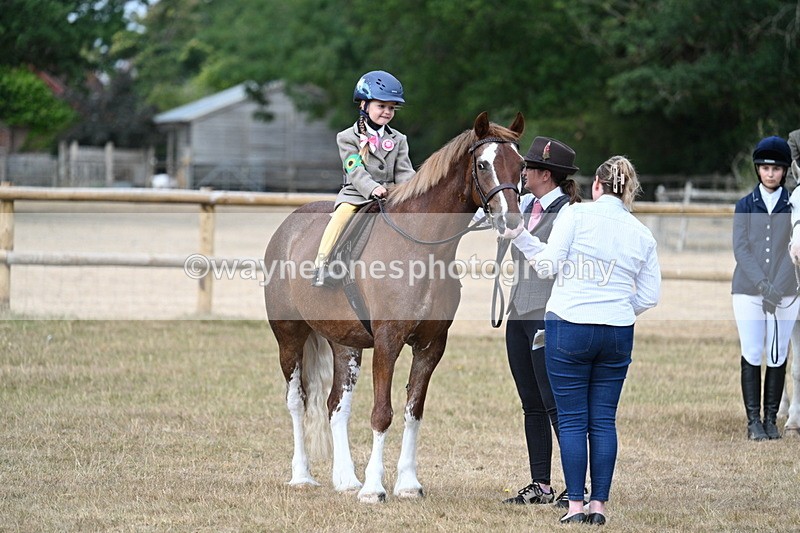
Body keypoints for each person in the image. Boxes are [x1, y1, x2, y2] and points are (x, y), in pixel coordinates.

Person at [532, 155, 661, 525]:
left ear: (597, 186)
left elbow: (547, 265)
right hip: (618, 332)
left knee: (572, 420)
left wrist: (524, 242)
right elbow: (650, 296)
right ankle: (598, 506)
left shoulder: (575, 215)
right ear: (628, 191)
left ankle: (575, 506)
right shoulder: (642, 233)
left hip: (570, 325)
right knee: (603, 420)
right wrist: (619, 308)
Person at [501, 137, 583, 507]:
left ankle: (575, 486)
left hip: (548, 314)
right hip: (519, 310)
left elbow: (549, 262)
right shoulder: (526, 205)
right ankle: (541, 483)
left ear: (544, 175)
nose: (522, 173)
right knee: (530, 402)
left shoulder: (568, 213)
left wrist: (517, 236)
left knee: (555, 403)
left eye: (527, 168)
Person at [312, 70, 416, 286]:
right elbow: (355, 169)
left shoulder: (399, 139)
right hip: (357, 195)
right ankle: (323, 265)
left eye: (391, 108)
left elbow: (405, 171)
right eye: (381, 106)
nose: (387, 112)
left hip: (391, 196)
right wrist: (372, 188)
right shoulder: (347, 137)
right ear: (364, 105)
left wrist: (413, 190)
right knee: (340, 217)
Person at [732, 135, 798, 441]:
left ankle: (772, 418)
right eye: (765, 168)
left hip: (786, 290)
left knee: (777, 353)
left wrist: (778, 285)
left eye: (776, 168)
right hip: (747, 290)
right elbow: (741, 249)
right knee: (752, 351)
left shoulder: (792, 204)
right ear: (758, 169)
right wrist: (762, 284)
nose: (771, 173)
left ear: (785, 170)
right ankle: (753, 421)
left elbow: (792, 248)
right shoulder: (745, 204)